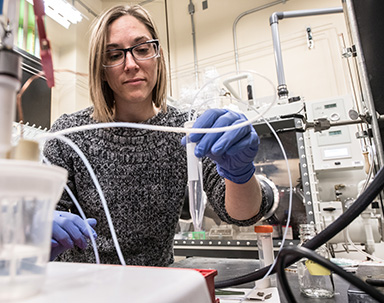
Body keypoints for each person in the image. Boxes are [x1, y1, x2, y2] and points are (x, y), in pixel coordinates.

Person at [44, 4, 271, 266]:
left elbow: (241, 214)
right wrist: (39, 222)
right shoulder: (69, 134)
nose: (131, 64)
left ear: (157, 56)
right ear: (102, 69)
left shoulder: (187, 128)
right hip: (83, 287)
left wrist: (240, 173)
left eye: (141, 49)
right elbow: (39, 217)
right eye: (115, 54)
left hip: (158, 285)